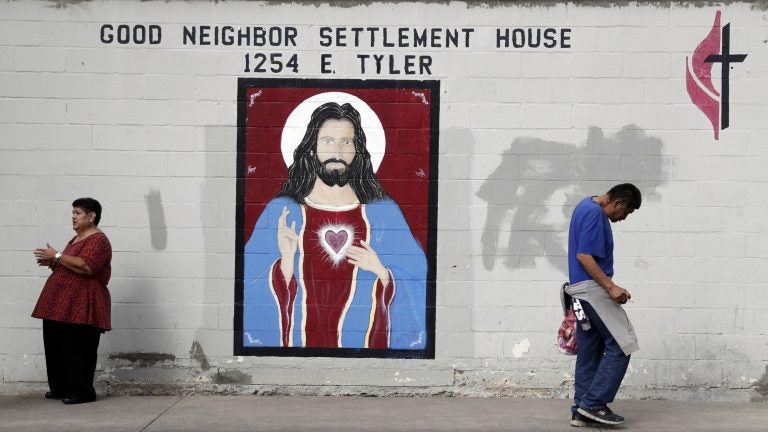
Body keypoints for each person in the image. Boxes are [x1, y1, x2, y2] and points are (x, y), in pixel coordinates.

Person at [243, 101, 427, 350]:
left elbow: (417, 278)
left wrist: (382, 272)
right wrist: (286, 261)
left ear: (358, 149)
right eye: (328, 141)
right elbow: (249, 282)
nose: (337, 152)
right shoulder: (284, 211)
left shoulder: (382, 211)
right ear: (312, 148)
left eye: (346, 142)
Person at [565, 183, 641, 427]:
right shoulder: (595, 214)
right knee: (622, 344)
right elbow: (584, 256)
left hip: (580, 291)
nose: (624, 218)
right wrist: (611, 287)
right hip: (592, 291)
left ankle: (581, 410)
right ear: (618, 203)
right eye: (626, 212)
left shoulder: (584, 206)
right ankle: (593, 404)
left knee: (590, 352)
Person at [32, 198, 112, 404]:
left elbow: (87, 267)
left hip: (81, 303)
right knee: (56, 346)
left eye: (77, 212)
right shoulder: (75, 239)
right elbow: (71, 267)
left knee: (78, 348)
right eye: (73, 212)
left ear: (92, 216)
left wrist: (57, 255)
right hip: (58, 304)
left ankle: (81, 391)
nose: (73, 216)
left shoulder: (99, 240)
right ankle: (61, 388)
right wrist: (53, 263)